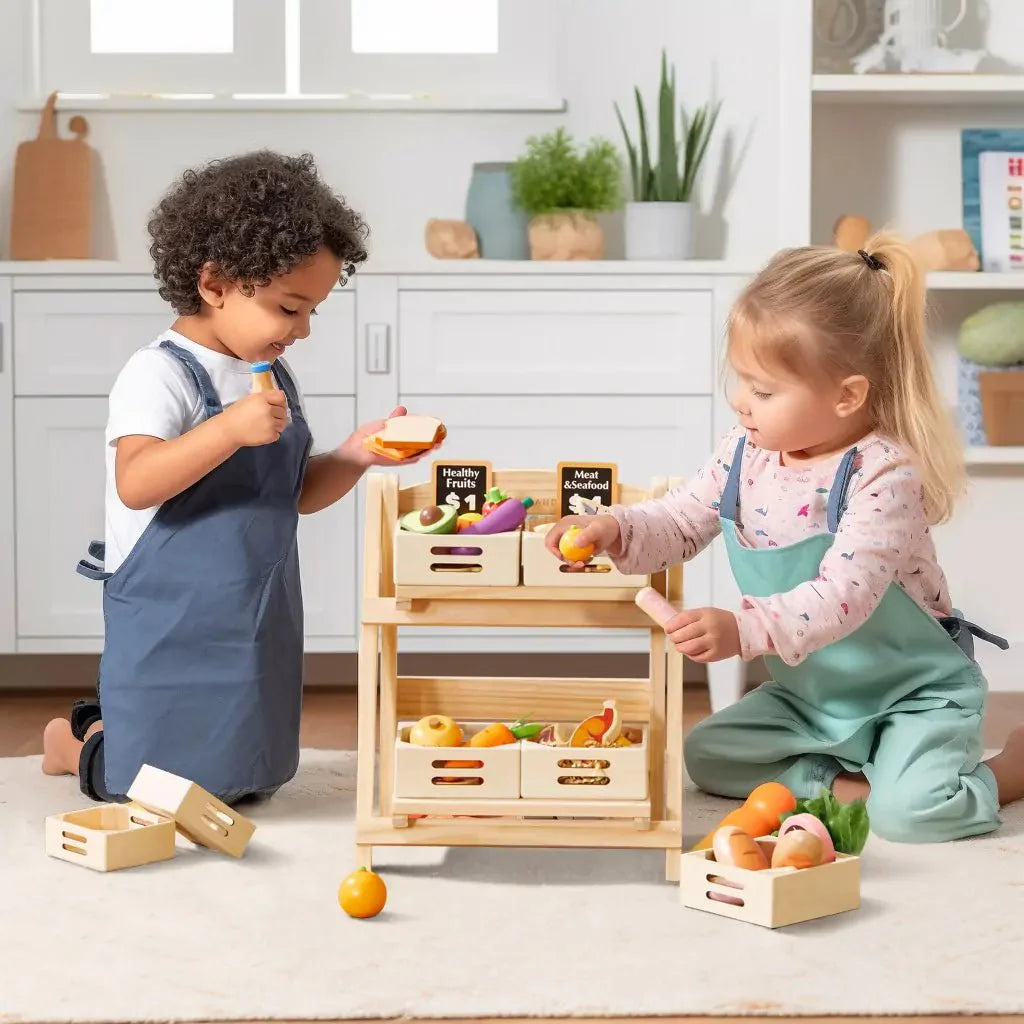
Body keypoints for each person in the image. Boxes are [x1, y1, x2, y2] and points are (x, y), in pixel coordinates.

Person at [545, 234, 1024, 844]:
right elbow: (681, 518)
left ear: (848, 395)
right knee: (708, 755)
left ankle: (1007, 771)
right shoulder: (745, 453)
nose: (741, 403)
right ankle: (859, 780)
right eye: (742, 381)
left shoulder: (883, 472)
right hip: (813, 697)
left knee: (915, 817)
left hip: (913, 695)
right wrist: (613, 527)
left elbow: (842, 596)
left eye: (764, 391)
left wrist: (743, 630)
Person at [41, 150, 437, 804]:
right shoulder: (160, 373)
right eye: (289, 308)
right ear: (215, 283)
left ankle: (178, 750)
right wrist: (228, 428)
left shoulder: (270, 375)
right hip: (174, 616)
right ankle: (76, 743)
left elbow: (296, 494)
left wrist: (356, 456)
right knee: (144, 785)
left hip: (255, 614)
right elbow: (137, 482)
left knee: (245, 768)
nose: (303, 329)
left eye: (313, 311)